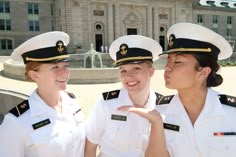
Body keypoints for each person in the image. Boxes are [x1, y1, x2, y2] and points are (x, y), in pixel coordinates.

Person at [118, 22, 236, 157]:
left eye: (177, 62)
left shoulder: (232, 112)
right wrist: (157, 124)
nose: (167, 67)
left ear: (203, 72)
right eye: (169, 60)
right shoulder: (160, 111)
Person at [0, 31, 85, 157]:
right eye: (55, 68)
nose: (65, 73)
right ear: (34, 75)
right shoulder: (15, 123)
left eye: (66, 65)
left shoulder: (72, 103)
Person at [85, 35, 163, 157]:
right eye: (123, 70)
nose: (128, 76)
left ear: (151, 71)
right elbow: (90, 145)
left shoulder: (163, 106)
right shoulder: (106, 103)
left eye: (136, 68)